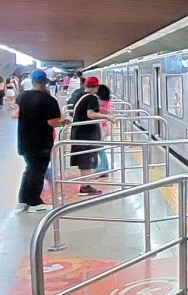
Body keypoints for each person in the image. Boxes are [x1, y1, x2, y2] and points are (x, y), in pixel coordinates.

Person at [10, 70, 69, 212]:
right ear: (46, 82)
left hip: (24, 140)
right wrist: (64, 123)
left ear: (32, 81)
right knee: (37, 172)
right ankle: (34, 202)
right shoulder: (48, 100)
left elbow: (15, 113)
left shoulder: (23, 96)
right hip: (41, 142)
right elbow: (52, 122)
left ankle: (23, 200)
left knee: (30, 170)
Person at [70, 76, 116, 196]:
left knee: (83, 161)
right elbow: (90, 114)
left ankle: (85, 185)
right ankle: (85, 187)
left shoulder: (80, 96)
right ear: (96, 87)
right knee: (87, 161)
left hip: (78, 133)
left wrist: (102, 111)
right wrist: (107, 116)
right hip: (86, 134)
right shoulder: (92, 98)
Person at [95, 84, 112, 174]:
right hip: (104, 126)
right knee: (99, 147)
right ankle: (102, 166)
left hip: (102, 127)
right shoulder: (106, 101)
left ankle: (104, 167)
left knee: (99, 147)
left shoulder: (100, 103)